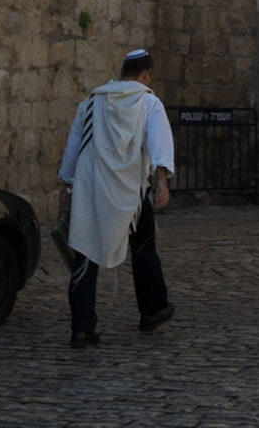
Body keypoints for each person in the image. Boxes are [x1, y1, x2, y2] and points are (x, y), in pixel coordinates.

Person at [57, 47, 176, 348]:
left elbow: (76, 142)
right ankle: (153, 309)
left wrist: (68, 184)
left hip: (92, 188)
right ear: (147, 74)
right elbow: (159, 140)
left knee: (85, 250)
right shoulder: (149, 102)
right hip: (130, 193)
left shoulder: (92, 102)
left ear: (122, 71)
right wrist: (161, 181)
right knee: (144, 247)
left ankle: (82, 327)